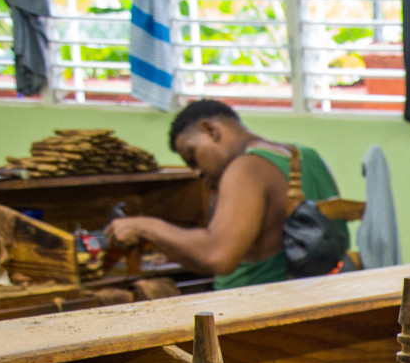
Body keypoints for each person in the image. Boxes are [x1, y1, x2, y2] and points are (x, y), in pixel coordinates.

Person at [105, 99, 348, 289]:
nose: (197, 172)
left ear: (210, 130)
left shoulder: (246, 168)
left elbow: (218, 256)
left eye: (192, 157)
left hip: (255, 310)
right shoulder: (307, 154)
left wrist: (144, 226)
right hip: (315, 296)